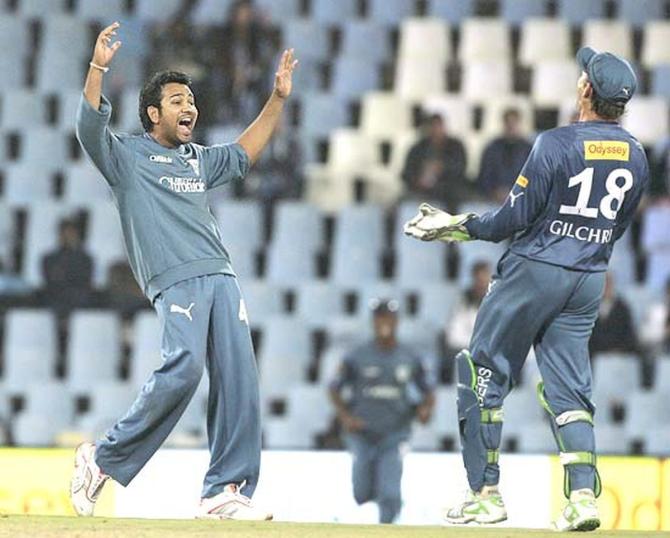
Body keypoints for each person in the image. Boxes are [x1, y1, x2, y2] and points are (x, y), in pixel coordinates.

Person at [404, 46, 648, 531]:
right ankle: (583, 499)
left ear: (585, 90)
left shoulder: (555, 144)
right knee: (570, 391)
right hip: (587, 280)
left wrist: (456, 226)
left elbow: (510, 221)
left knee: (479, 375)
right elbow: (618, 225)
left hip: (534, 270)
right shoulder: (638, 154)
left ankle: (485, 495)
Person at [70, 21, 297, 521]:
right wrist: (97, 69)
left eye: (190, 100)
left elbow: (242, 155)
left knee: (239, 379)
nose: (188, 106)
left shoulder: (197, 159)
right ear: (153, 113)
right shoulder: (127, 156)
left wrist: (277, 99)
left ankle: (224, 490)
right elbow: (89, 128)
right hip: (175, 278)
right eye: (176, 100)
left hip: (222, 275)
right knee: (184, 370)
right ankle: (101, 460)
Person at [329, 299, 435, 524]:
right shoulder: (358, 355)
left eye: (388, 318)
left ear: (396, 321)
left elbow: (429, 390)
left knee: (389, 492)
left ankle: (388, 526)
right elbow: (334, 389)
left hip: (394, 434)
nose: (383, 323)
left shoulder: (410, 356)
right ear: (373, 321)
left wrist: (425, 410)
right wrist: (346, 417)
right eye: (379, 318)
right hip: (362, 434)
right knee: (361, 492)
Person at [401, 113, 467, 210]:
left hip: (448, 189)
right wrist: (418, 180)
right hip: (421, 190)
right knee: (400, 203)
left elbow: (460, 168)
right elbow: (407, 173)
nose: (436, 131)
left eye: (438, 127)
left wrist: (442, 168)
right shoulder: (418, 148)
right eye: (432, 127)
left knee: (455, 196)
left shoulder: (455, 146)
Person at [478, 108, 532, 204]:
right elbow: (485, 174)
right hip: (492, 198)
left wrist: (516, 192)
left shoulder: (529, 149)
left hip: (521, 199)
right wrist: (494, 192)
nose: (511, 126)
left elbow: (532, 176)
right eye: (508, 123)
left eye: (514, 123)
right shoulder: (492, 148)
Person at [41, 219, 94, 317]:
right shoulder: (49, 259)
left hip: (77, 301)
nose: (67, 237)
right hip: (56, 300)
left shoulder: (86, 259)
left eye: (71, 234)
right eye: (64, 234)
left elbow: (85, 282)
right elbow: (50, 282)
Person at [445, 261, 491, 356]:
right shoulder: (463, 303)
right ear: (473, 280)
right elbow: (454, 337)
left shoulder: (499, 302)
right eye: (479, 281)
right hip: (469, 355)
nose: (482, 285)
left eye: (485, 281)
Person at [589, 273, 639, 356]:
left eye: (609, 284)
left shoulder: (622, 308)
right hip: (594, 356)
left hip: (617, 356)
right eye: (604, 284)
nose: (606, 287)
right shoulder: (590, 308)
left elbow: (629, 335)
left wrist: (618, 350)